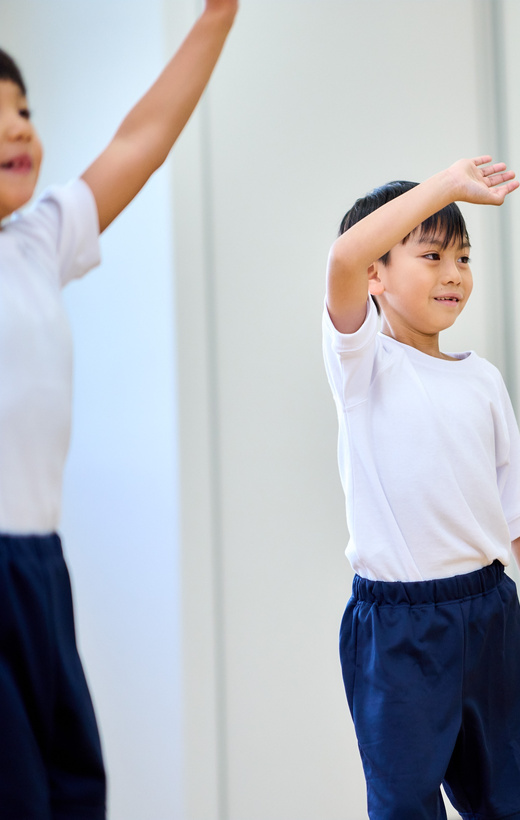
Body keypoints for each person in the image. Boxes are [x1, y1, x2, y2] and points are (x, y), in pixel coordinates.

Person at [0, 4, 237, 817]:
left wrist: (218, 15)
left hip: (36, 567)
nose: (17, 131)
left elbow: (142, 138)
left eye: (22, 111)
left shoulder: (39, 241)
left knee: (71, 787)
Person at [323, 156, 520, 820]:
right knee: (404, 807)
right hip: (398, 629)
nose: (454, 273)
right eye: (432, 255)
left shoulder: (482, 380)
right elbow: (342, 258)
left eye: (463, 257)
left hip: (489, 614)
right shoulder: (363, 364)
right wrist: (443, 187)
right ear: (377, 274)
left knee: (505, 802)